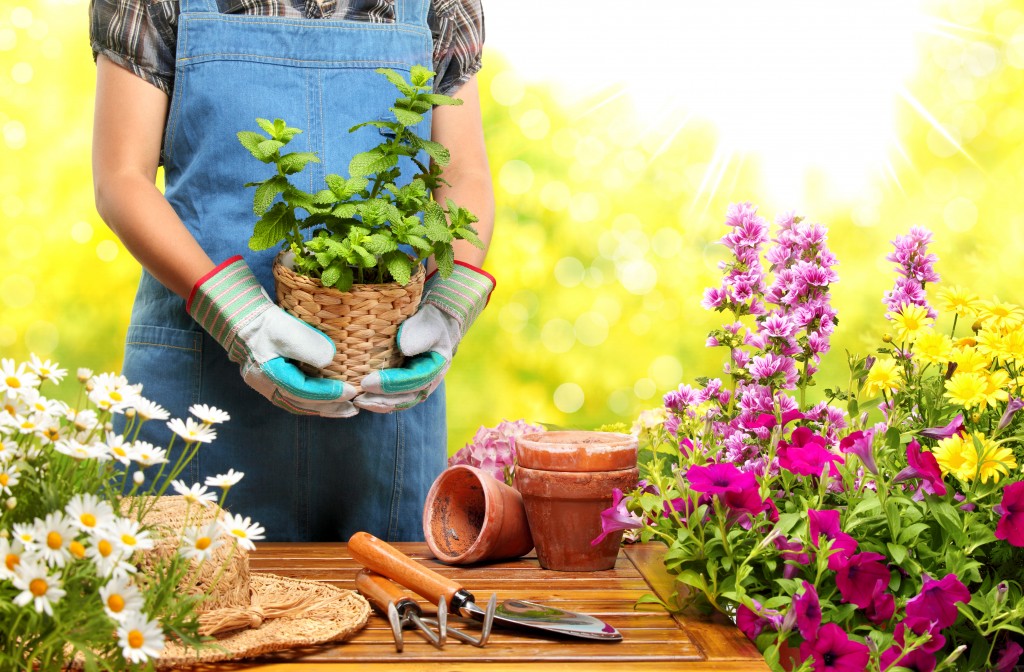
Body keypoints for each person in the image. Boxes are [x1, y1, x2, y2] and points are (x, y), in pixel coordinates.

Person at [90, 0, 495, 542]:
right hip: (204, 386)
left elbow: (463, 173)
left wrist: (449, 305)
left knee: (391, 612)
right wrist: (239, 315)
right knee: (186, 607)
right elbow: (121, 177)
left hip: (376, 403)